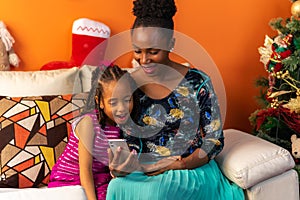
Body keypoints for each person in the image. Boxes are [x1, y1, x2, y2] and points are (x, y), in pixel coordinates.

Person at [106, 0, 245, 199]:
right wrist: (120, 167)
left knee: (158, 192)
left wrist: (179, 163)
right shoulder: (129, 85)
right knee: (116, 188)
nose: (144, 60)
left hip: (191, 169)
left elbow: (214, 141)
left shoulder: (198, 82)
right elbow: (128, 139)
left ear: (171, 44)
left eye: (153, 51)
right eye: (137, 51)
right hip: (147, 170)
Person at [48, 65, 138, 200]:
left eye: (127, 100)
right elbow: (85, 169)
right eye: (113, 102)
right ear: (100, 102)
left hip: (99, 179)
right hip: (69, 179)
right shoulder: (88, 123)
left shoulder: (121, 126)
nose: (122, 108)